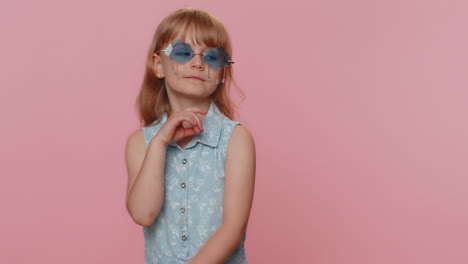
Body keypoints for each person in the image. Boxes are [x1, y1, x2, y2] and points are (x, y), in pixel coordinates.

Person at [124, 8, 256, 264]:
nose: (198, 62)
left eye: (212, 56)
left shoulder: (235, 140)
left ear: (222, 72)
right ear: (158, 64)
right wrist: (160, 143)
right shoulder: (141, 143)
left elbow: (232, 228)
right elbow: (143, 214)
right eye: (183, 53)